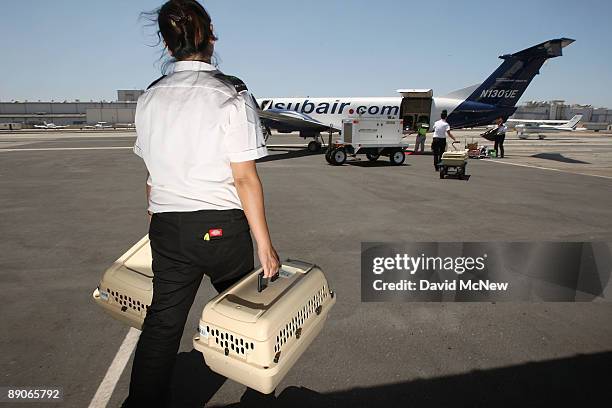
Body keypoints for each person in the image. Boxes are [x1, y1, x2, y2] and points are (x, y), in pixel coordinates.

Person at [123, 1, 280, 406]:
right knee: (249, 316)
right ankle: (258, 396)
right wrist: (264, 244)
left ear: (165, 42)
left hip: (167, 226)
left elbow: (151, 176)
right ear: (211, 34)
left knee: (163, 324)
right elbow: (244, 177)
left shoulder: (149, 98)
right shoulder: (231, 94)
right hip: (222, 228)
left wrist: (155, 223)